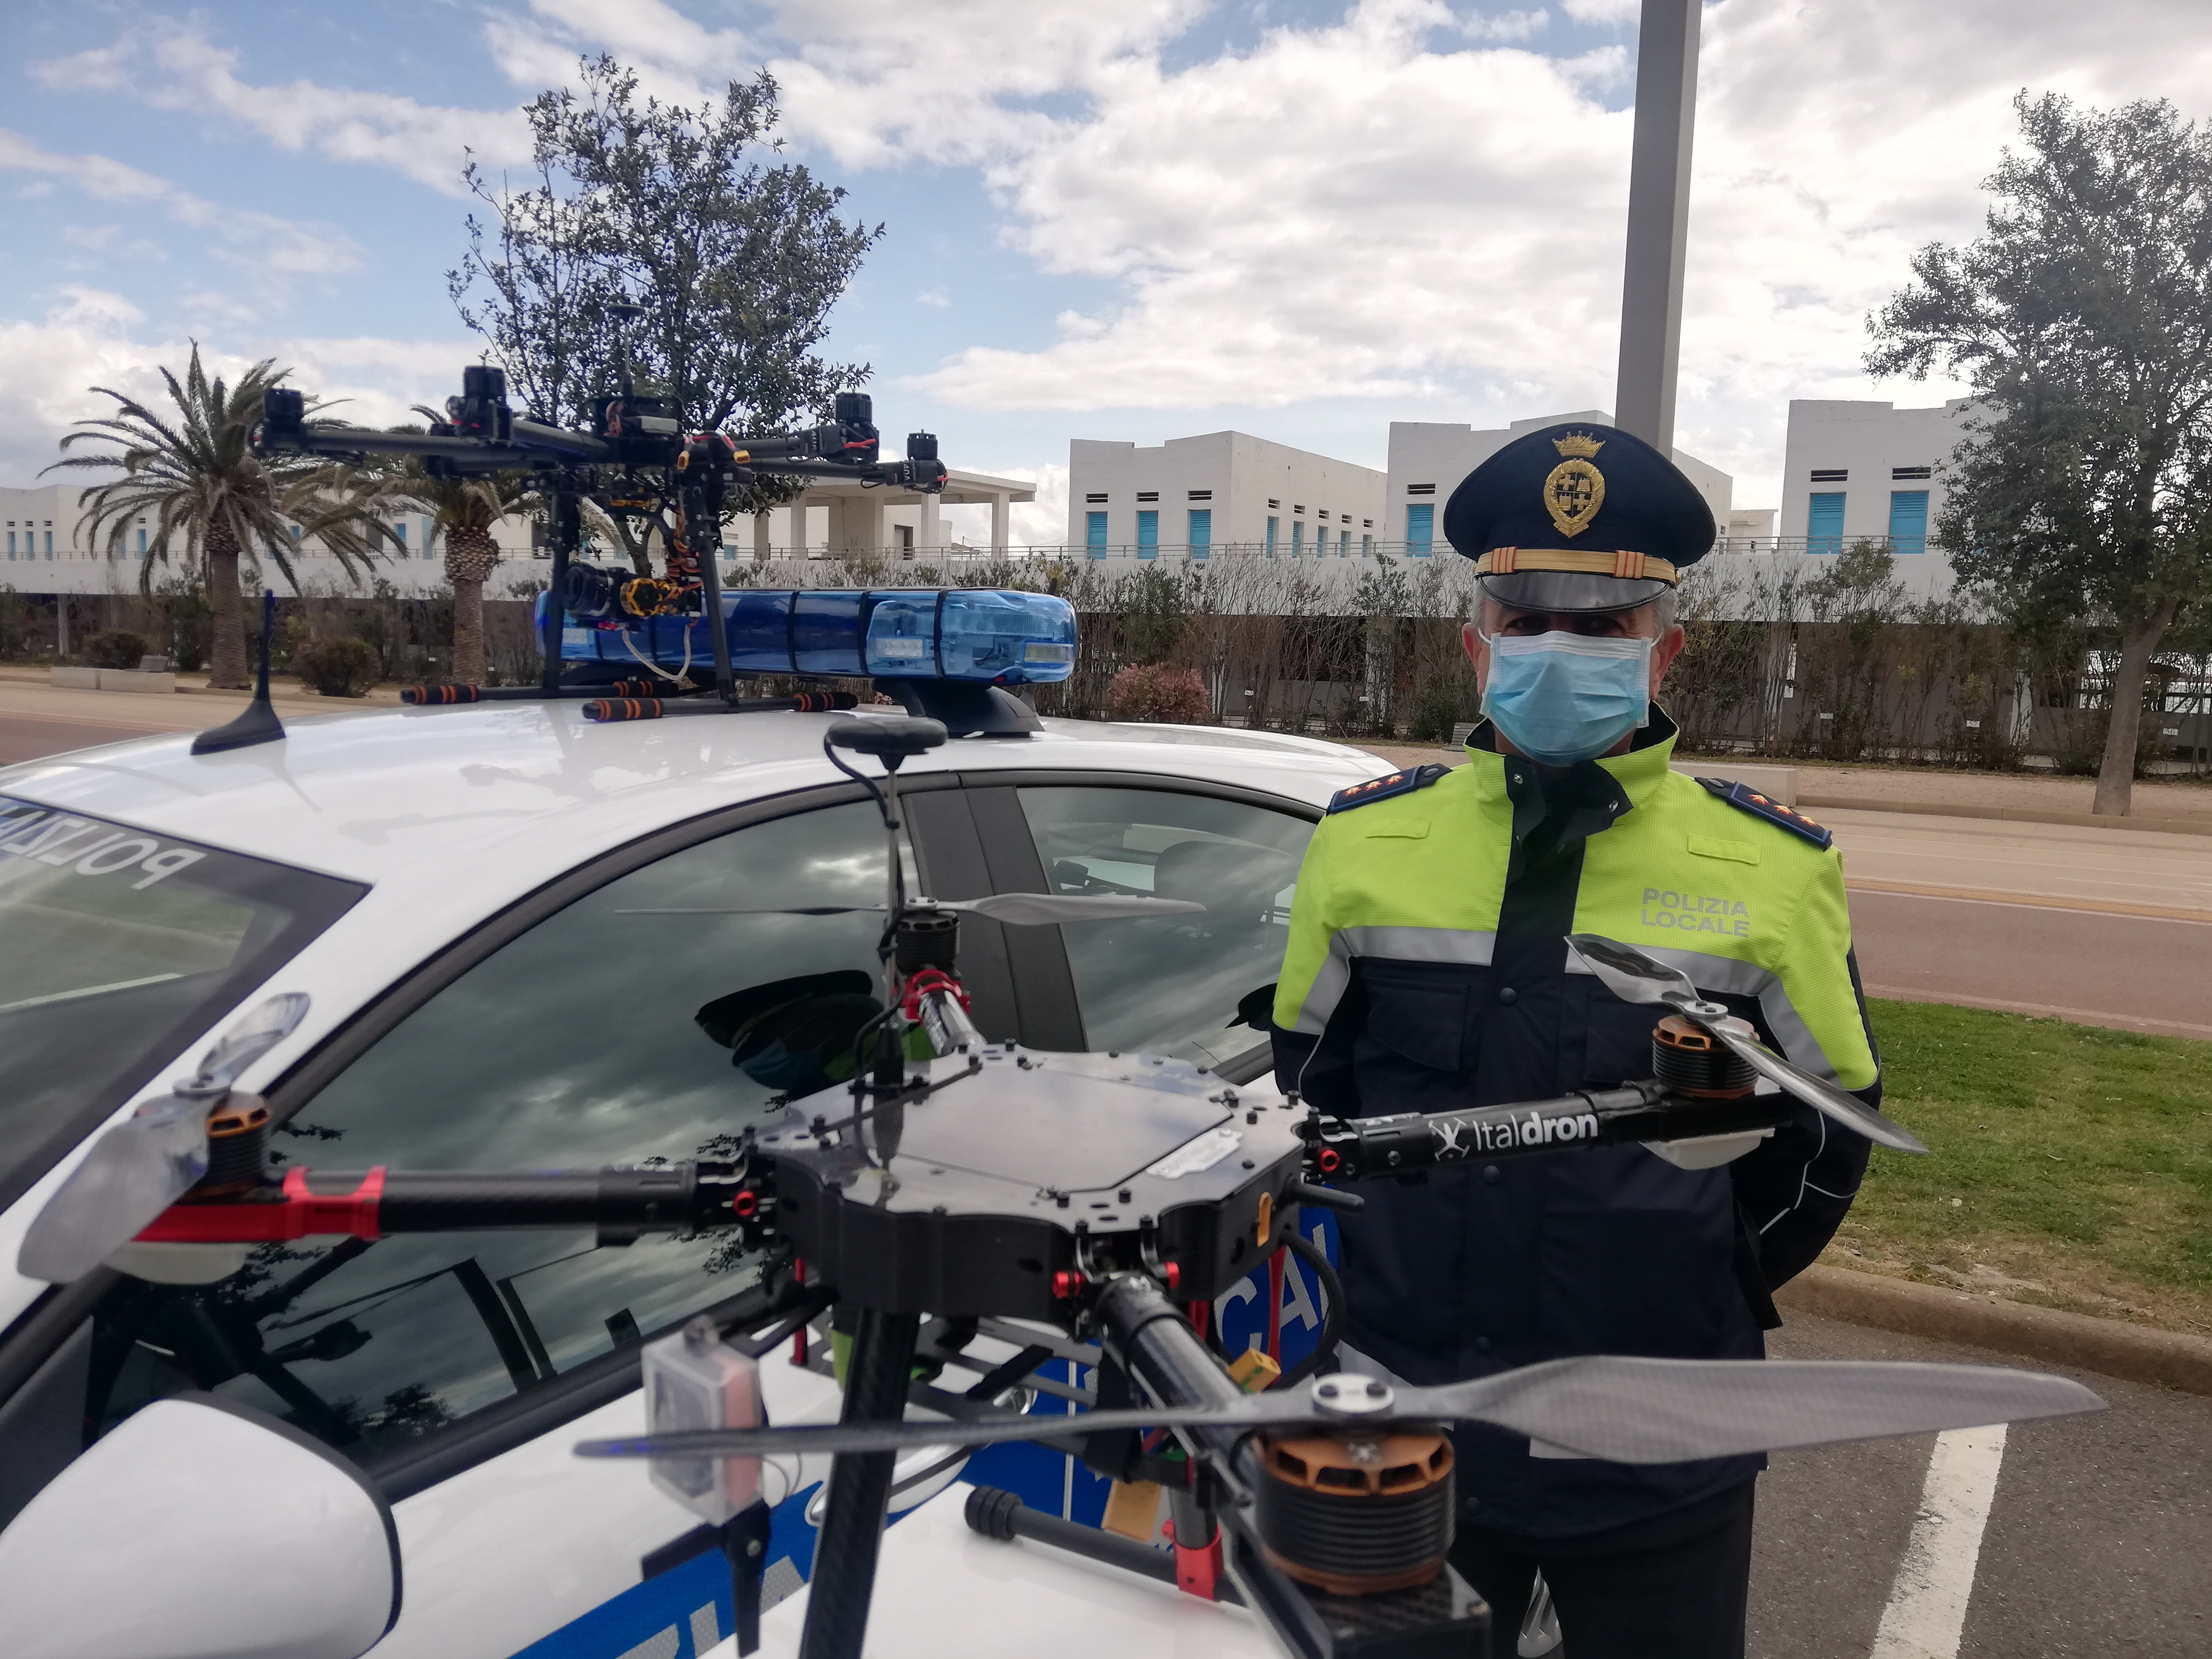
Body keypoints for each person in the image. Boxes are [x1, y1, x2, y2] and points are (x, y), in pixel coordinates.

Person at [1269, 422, 1883, 1659]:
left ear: (1666, 650)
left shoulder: (1772, 873)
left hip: (1657, 1436)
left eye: (1603, 623)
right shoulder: (1363, 845)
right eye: (1527, 615)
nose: (1562, 645)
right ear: (1475, 641)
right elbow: (1314, 1100)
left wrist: (1690, 1275)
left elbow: (1823, 1147)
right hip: (1407, 1431)